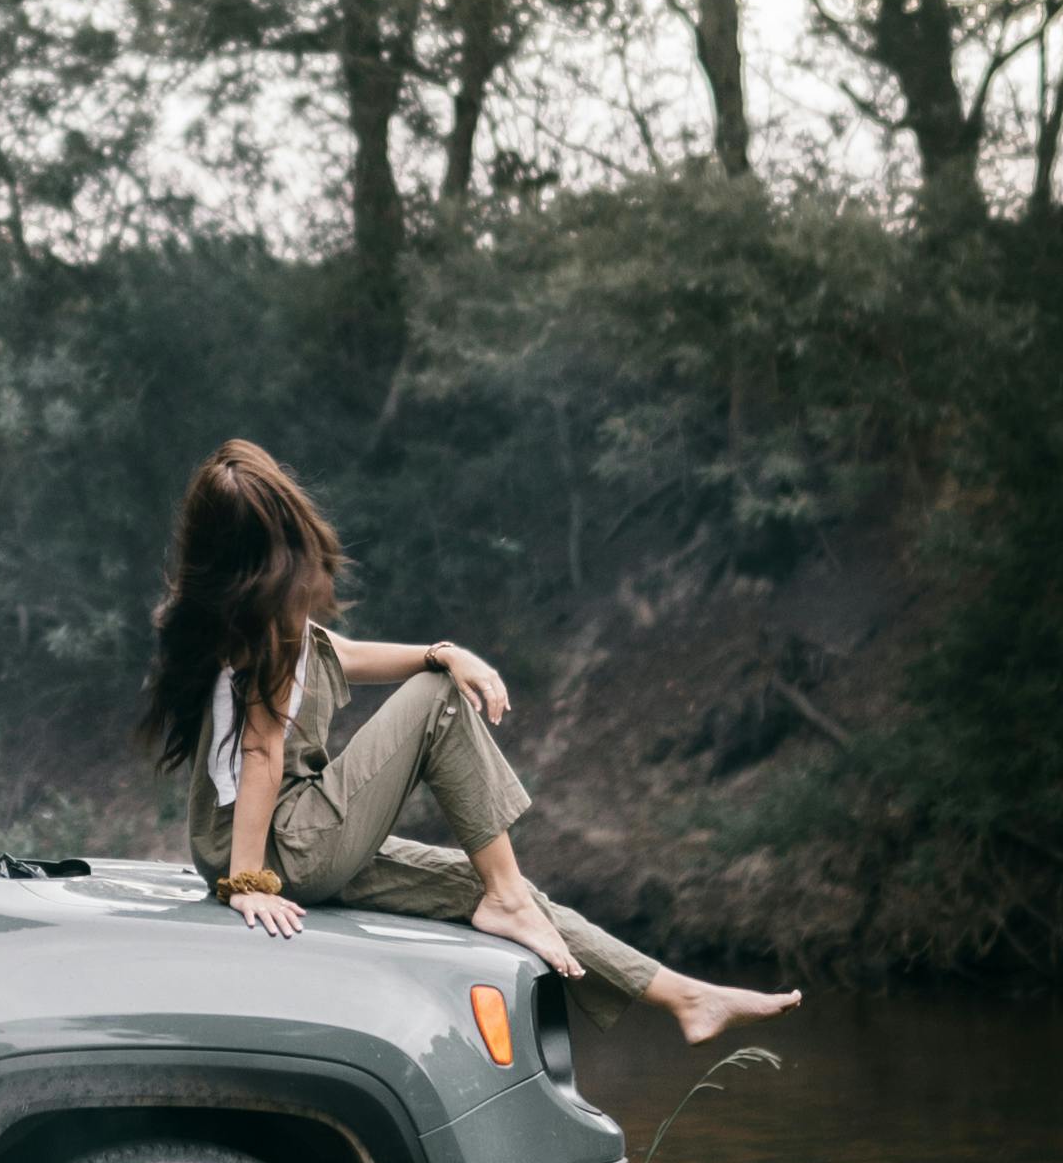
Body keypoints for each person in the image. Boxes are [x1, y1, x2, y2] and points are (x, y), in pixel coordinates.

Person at [141, 438, 800, 1047]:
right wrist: (247, 884)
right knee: (440, 705)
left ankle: (683, 994)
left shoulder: (241, 612)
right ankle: (511, 899)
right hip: (274, 846)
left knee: (476, 882)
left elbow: (336, 653)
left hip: (275, 836)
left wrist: (440, 651)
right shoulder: (258, 625)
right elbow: (258, 755)